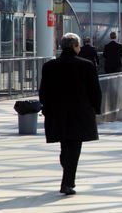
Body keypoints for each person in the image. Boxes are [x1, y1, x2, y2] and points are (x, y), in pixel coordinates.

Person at [39, 33, 102, 195]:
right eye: (78, 46)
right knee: (74, 147)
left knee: (65, 145)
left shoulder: (49, 66)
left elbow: (43, 91)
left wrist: (46, 108)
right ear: (75, 46)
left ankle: (67, 176)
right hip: (80, 112)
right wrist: (96, 108)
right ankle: (67, 183)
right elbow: (95, 90)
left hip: (56, 112)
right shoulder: (86, 65)